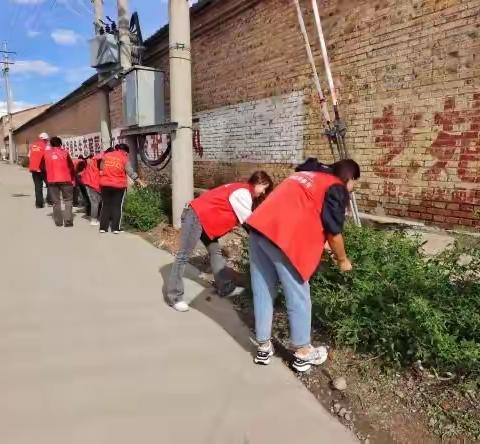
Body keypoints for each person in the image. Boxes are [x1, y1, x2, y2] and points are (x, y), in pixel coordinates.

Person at [246, 158, 360, 372]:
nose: (353, 188)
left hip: (259, 229)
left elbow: (305, 209)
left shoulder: (306, 175)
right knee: (298, 294)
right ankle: (303, 353)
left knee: (262, 290)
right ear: (349, 177)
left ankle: (263, 346)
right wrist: (343, 260)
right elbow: (334, 233)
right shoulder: (335, 186)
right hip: (283, 238)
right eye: (355, 182)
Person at [167, 171, 274, 312]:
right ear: (257, 182)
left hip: (204, 221)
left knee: (215, 250)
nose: (263, 191)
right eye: (264, 187)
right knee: (183, 256)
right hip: (196, 216)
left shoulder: (242, 189)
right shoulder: (243, 193)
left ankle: (225, 287)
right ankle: (175, 297)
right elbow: (249, 224)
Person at [99, 143, 145, 233]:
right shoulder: (124, 158)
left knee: (106, 205)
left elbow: (101, 168)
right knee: (117, 206)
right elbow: (130, 172)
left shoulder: (106, 155)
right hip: (118, 185)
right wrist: (140, 181)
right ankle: (115, 229)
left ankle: (103, 228)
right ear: (125, 151)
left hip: (105, 184)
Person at [41, 137, 75, 227]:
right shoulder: (65, 153)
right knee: (68, 200)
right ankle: (68, 221)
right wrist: (72, 177)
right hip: (66, 180)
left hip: (52, 180)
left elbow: (42, 168)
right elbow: (71, 166)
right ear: (60, 144)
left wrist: (46, 178)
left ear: (51, 144)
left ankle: (58, 222)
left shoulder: (46, 154)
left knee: (56, 202)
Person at [28, 132, 52, 208]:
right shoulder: (47, 147)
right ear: (45, 139)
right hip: (43, 169)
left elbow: (29, 156)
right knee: (50, 184)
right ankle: (50, 200)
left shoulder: (32, 146)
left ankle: (39, 204)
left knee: (38, 186)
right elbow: (48, 157)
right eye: (47, 140)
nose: (47, 141)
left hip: (34, 169)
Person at [81, 152, 104, 226]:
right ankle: (94, 219)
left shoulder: (93, 161)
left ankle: (95, 219)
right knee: (96, 202)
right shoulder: (101, 160)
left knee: (96, 202)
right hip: (93, 183)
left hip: (90, 182)